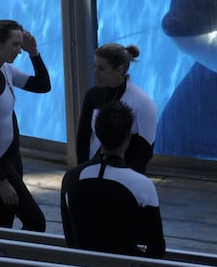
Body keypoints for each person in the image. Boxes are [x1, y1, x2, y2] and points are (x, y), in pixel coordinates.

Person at [0, 19, 51, 231]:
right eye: (15, 45)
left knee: (3, 223)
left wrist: (34, 53)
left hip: (13, 159)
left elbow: (43, 86)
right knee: (35, 221)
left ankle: (0, 262)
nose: (19, 51)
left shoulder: (6, 70)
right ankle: (19, 264)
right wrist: (1, 181)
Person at [61, 102, 165, 258]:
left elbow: (70, 238)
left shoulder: (71, 178)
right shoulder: (143, 185)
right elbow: (156, 249)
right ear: (128, 139)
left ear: (97, 133)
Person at [76, 43, 157, 174]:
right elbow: (82, 139)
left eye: (101, 68)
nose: (95, 73)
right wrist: (81, 172)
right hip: (94, 171)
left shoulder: (143, 103)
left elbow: (145, 152)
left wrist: (124, 179)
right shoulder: (93, 95)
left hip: (127, 176)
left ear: (120, 69)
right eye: (94, 66)